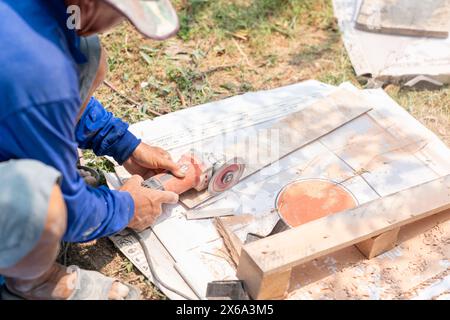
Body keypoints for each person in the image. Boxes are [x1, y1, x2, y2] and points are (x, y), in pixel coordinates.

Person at [0, 0, 182, 300]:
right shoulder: (36, 71)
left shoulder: (43, 18)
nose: (118, 24)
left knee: (88, 55)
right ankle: (33, 282)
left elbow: (48, 95)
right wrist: (128, 208)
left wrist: (124, 144)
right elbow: (72, 214)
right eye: (121, 15)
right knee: (40, 204)